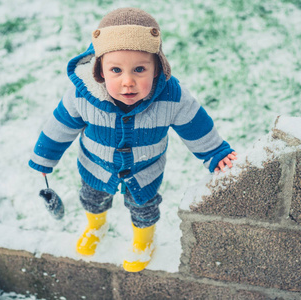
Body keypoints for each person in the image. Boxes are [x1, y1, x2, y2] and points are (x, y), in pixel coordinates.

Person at [29, 7, 237, 272]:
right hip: (96, 165)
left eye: (139, 69)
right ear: (100, 70)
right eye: (116, 70)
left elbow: (195, 124)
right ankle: (95, 227)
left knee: (144, 208)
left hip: (145, 170)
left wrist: (216, 152)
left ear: (157, 68)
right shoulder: (83, 95)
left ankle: (144, 241)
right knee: (92, 199)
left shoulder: (171, 96)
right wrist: (44, 157)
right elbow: (60, 125)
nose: (128, 82)